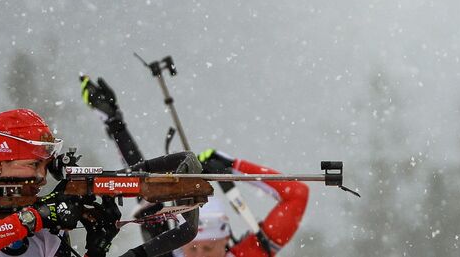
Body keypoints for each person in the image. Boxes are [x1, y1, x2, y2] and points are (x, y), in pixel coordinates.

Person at [81, 76, 309, 257]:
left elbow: (297, 193)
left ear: (225, 239)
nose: (199, 256)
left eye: (208, 249)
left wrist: (232, 165)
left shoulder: (251, 253)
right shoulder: (165, 251)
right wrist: (115, 123)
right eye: (192, 248)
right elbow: (142, 180)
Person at [0, 108, 120, 257]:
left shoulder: (48, 224)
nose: (42, 177)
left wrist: (96, 250)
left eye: (46, 166)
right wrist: (32, 219)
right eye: (33, 164)